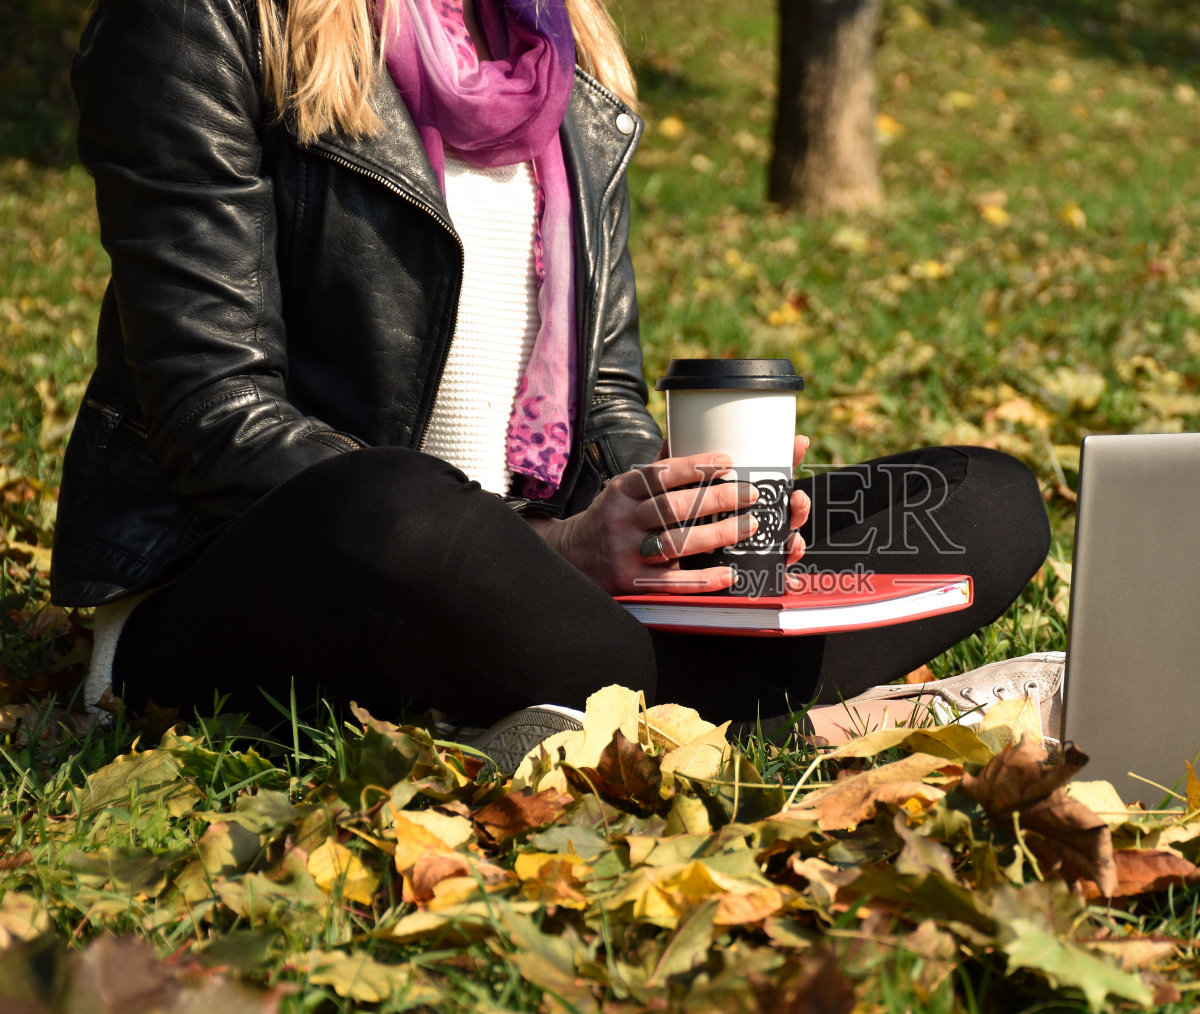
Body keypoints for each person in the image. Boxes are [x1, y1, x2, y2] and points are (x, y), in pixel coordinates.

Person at [55, 0, 1055, 769]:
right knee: (402, 508)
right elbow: (214, 418)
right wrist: (559, 548)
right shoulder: (206, 18)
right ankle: (798, 727)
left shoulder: (560, 43)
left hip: (541, 582)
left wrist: (680, 512)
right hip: (285, 571)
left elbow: (607, 396)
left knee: (980, 506)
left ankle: (579, 715)